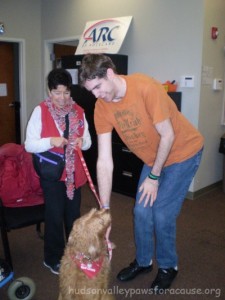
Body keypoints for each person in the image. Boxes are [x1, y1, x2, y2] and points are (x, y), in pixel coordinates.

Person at [79, 54, 204, 293]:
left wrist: (154, 178)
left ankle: (168, 267)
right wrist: (104, 208)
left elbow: (168, 135)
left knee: (162, 214)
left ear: (110, 74)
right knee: (141, 211)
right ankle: (144, 262)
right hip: (154, 155)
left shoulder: (145, 87)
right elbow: (104, 160)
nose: (95, 95)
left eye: (97, 87)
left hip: (183, 151)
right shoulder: (101, 106)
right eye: (90, 90)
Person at [25, 68, 91, 275]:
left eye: (66, 92)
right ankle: (52, 258)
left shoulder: (79, 111)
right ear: (49, 91)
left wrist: (82, 141)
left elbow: (88, 142)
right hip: (53, 173)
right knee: (54, 217)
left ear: (70, 91)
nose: (62, 98)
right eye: (56, 93)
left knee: (74, 217)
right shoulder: (40, 111)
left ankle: (75, 255)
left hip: (74, 175)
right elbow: (29, 145)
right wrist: (50, 141)